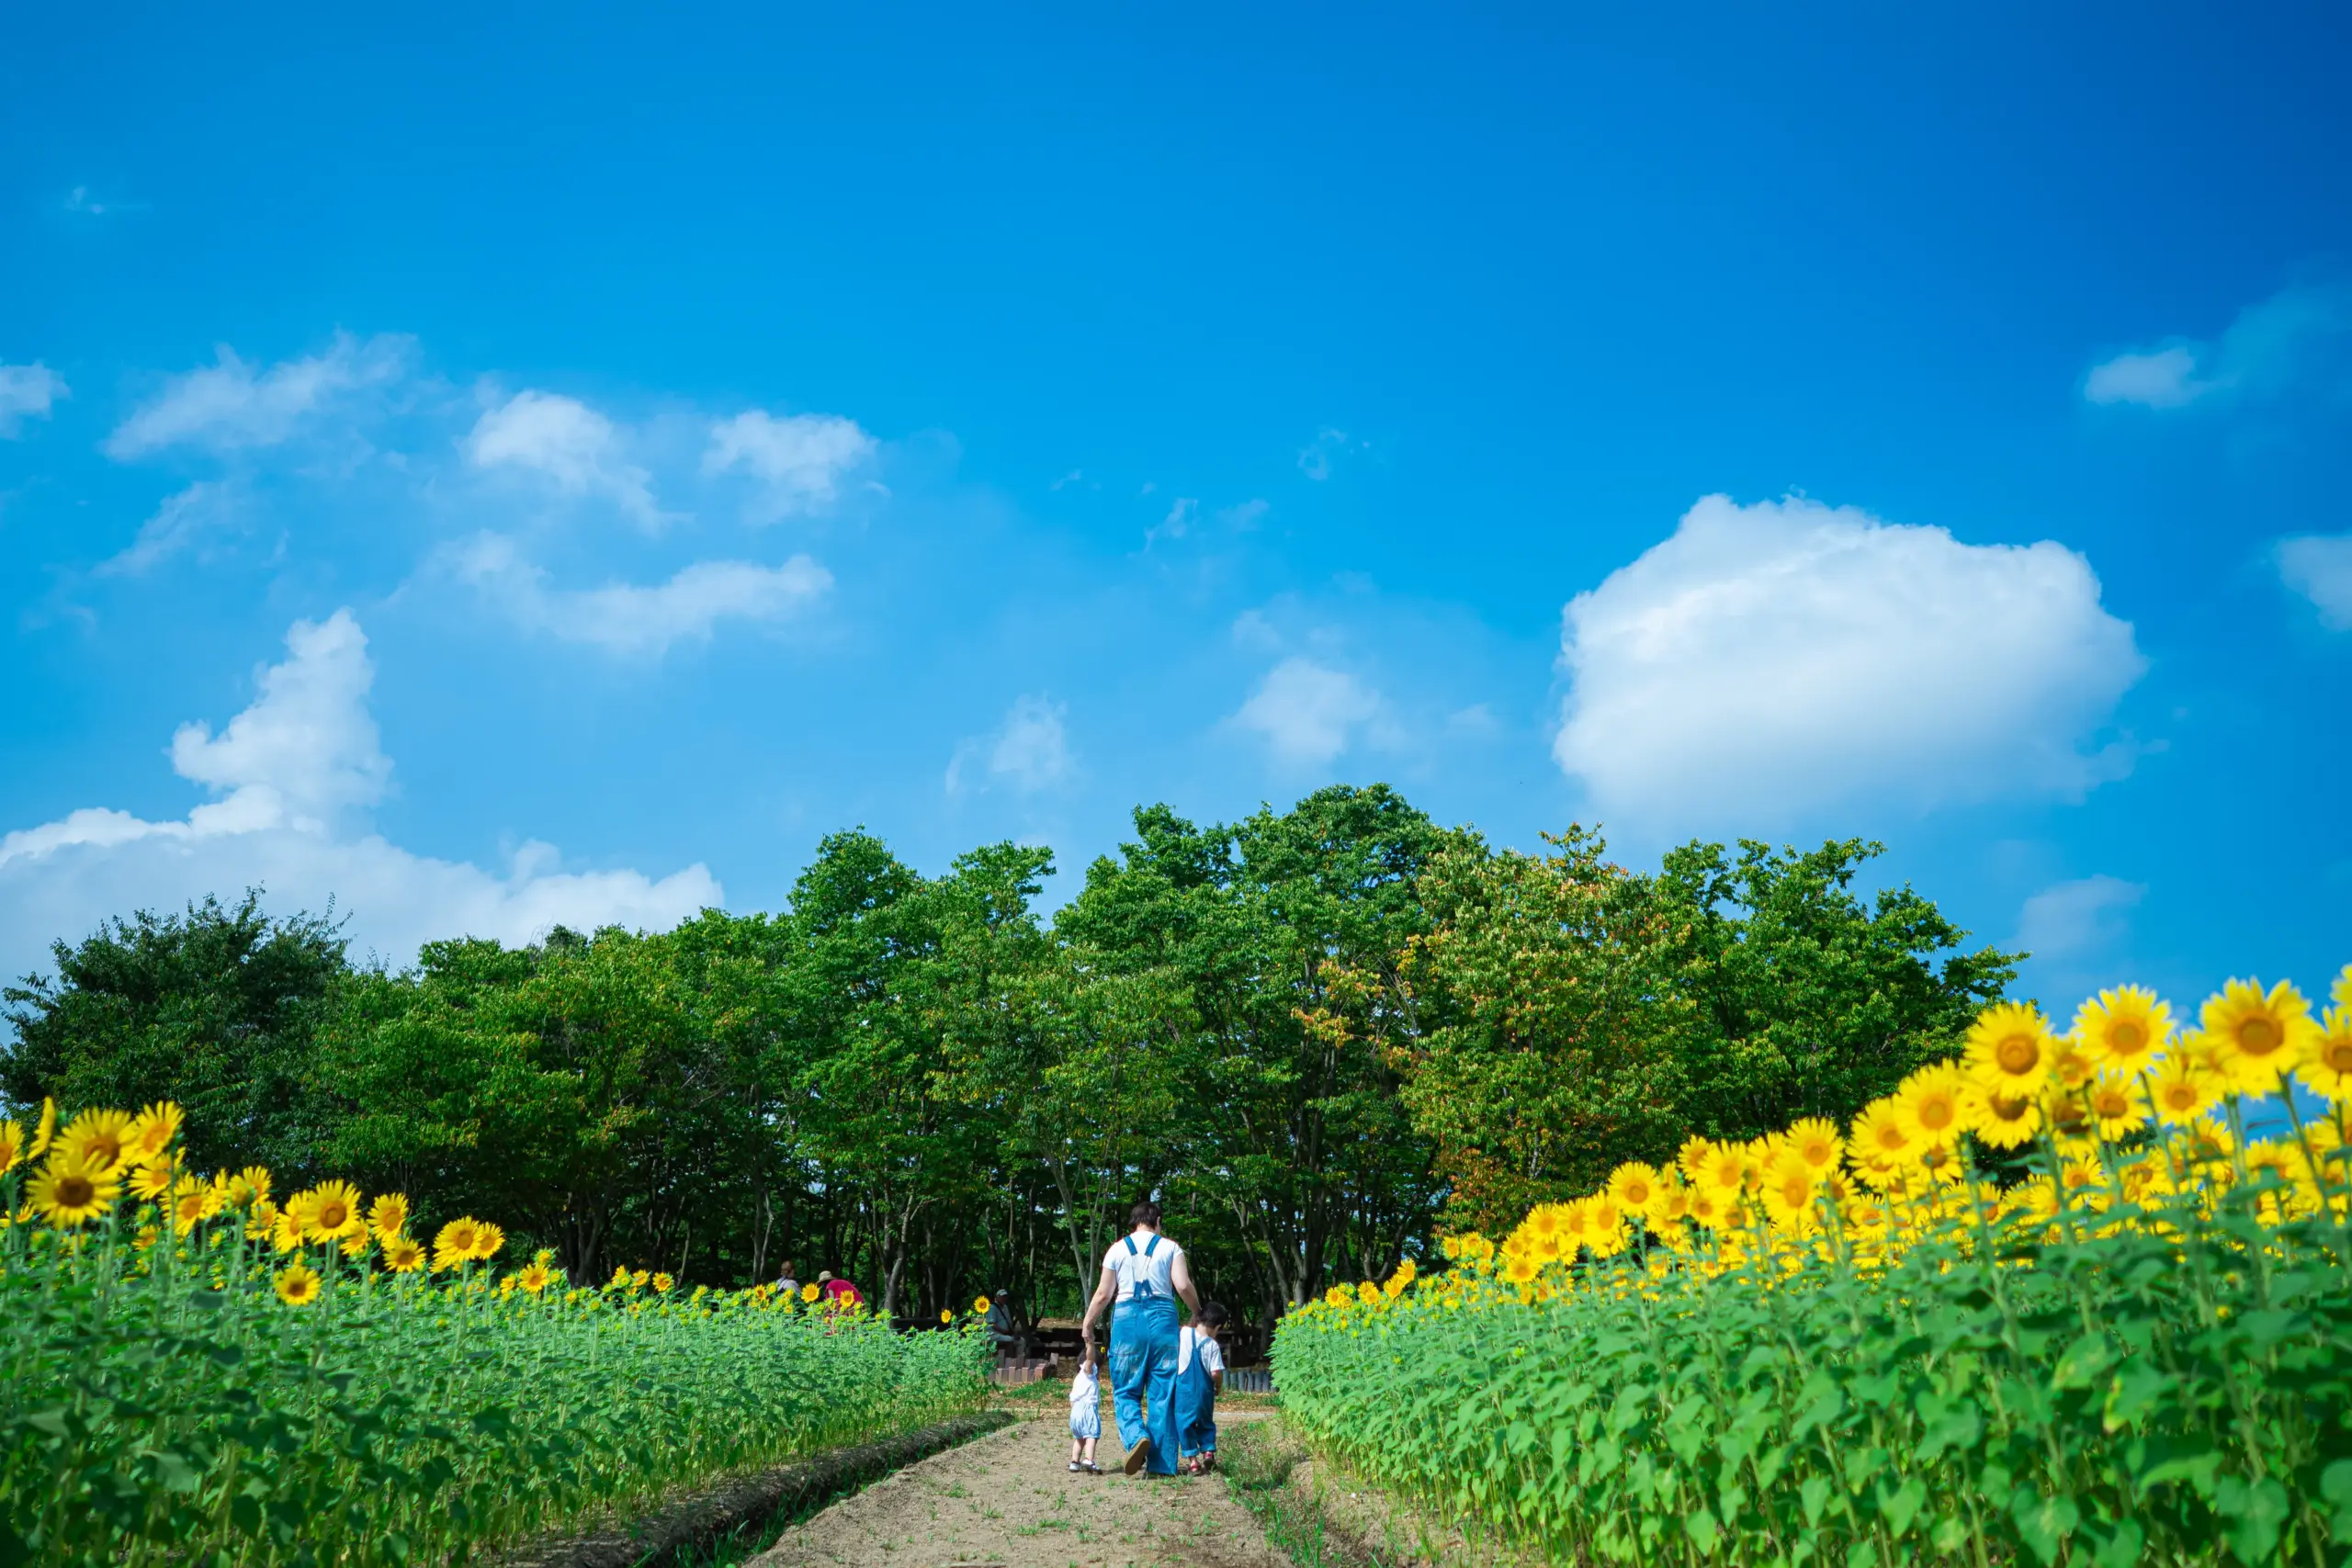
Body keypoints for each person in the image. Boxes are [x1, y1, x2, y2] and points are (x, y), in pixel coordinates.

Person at [1078, 1199, 1201, 1477]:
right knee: (1162, 1393)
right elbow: (1182, 1285)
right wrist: (1197, 1312)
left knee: (1125, 1390)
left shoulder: (1116, 1250)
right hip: (1163, 1321)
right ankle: (1160, 1466)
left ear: (1133, 1224)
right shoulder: (1171, 1248)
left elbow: (1103, 1294)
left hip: (1126, 1321)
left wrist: (1088, 1324)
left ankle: (1135, 1437)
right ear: (1157, 1222)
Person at [1173, 1301, 1227, 1474]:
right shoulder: (1212, 1345)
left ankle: (1193, 1462)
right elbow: (1216, 1373)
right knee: (1206, 1422)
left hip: (1184, 1392)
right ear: (1218, 1326)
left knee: (1184, 1424)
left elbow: (1188, 1326)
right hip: (1205, 1393)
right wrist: (1218, 1386)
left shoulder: (1184, 1333)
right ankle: (1208, 1452)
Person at [1068, 1343, 1104, 1474]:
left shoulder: (1078, 1378)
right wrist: (1090, 1344)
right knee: (1091, 1436)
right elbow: (1089, 1362)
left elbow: (1072, 1399)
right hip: (1087, 1409)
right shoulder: (1088, 1371)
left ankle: (1075, 1462)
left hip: (1075, 1411)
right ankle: (1089, 1459)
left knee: (1079, 1439)